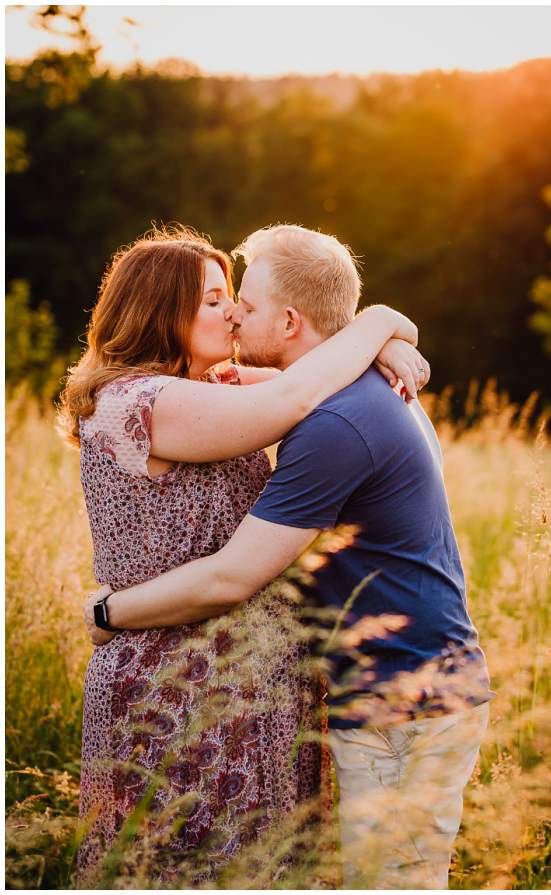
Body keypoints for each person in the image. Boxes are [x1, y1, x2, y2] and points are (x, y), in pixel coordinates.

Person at [83, 224, 493, 889]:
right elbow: (268, 389)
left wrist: (108, 609)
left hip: (402, 699)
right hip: (298, 686)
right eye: (217, 299)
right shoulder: (322, 396)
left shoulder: (335, 419)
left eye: (237, 298)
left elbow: (235, 573)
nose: (235, 312)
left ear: (292, 320)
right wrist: (381, 330)